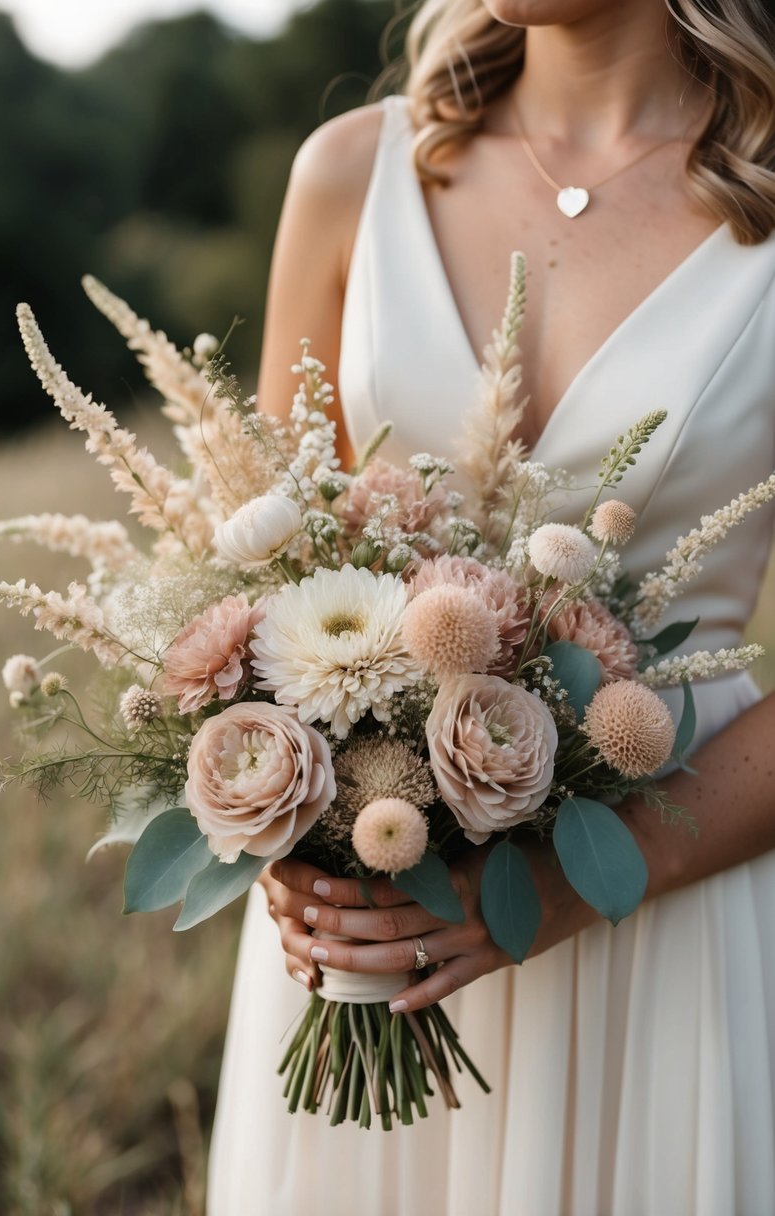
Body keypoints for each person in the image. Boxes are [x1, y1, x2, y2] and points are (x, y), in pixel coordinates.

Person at [207, 1, 775, 1212]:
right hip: (368, 926)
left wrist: (577, 883)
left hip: (666, 902)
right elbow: (250, 579)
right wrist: (277, 822)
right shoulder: (353, 172)